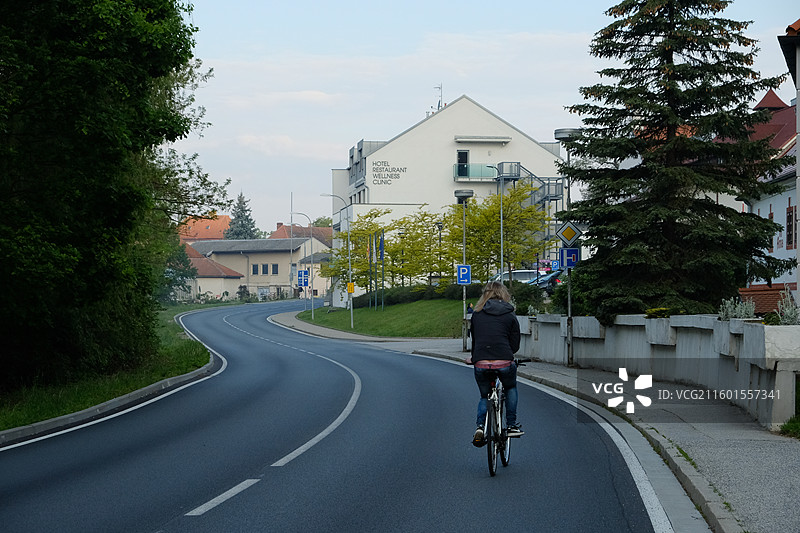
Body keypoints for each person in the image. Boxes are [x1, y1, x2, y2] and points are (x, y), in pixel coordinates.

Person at [465, 281, 523, 446]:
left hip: (481, 363)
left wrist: (475, 358)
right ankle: (511, 425)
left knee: (484, 396)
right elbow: (515, 345)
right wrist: (506, 354)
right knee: (510, 387)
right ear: (504, 294)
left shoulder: (476, 314)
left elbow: (475, 341)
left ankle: (480, 427)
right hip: (504, 361)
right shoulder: (510, 314)